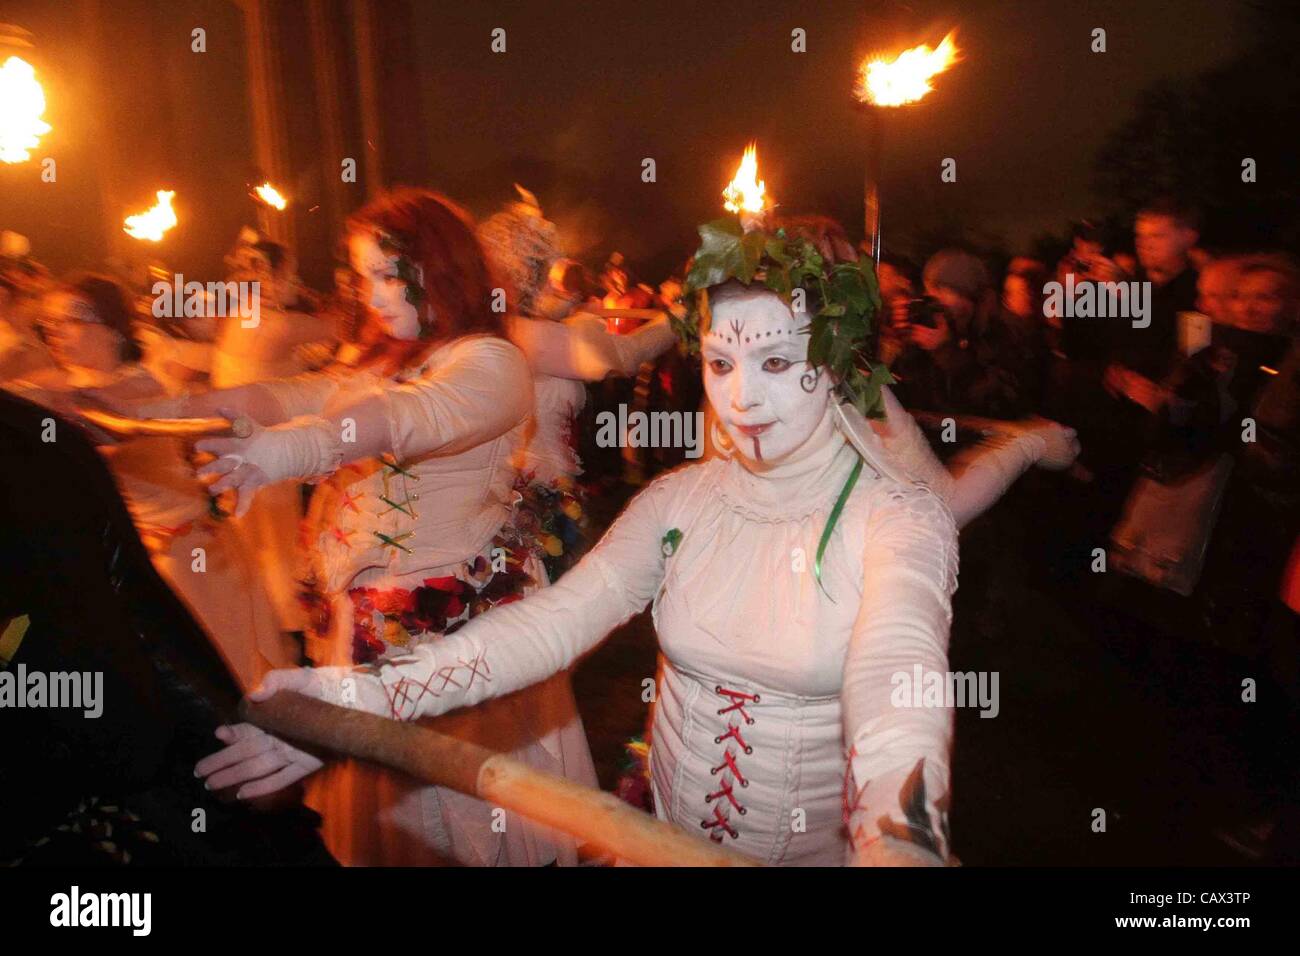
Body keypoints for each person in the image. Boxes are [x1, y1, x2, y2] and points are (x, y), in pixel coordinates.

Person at [196, 211, 1078, 865]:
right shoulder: (680, 499)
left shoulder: (897, 516)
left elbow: (900, 693)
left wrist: (902, 848)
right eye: (722, 365)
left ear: (835, 363)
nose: (742, 400)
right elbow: (545, 627)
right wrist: (352, 705)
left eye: (776, 364)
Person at [171, 188, 596, 867]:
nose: (370, 293)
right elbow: (290, 394)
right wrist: (173, 408)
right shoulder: (382, 357)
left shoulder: (492, 361)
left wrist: (282, 452)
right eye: (363, 275)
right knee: (385, 823)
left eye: (386, 274)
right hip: (362, 624)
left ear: (439, 268)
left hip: (454, 635)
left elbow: (401, 419)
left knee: (467, 820)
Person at [2, 274, 290, 690]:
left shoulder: (139, 386)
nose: (57, 333)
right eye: (49, 323)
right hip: (129, 556)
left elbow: (87, 418)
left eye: (71, 319)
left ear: (112, 328)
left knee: (210, 679)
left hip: (184, 555)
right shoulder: (68, 384)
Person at [478, 187, 677, 580]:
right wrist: (678, 318)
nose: (557, 275)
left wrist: (569, 309)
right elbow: (623, 356)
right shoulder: (527, 333)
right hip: (524, 502)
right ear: (526, 272)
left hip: (527, 491)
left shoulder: (506, 322)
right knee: (538, 614)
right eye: (546, 267)